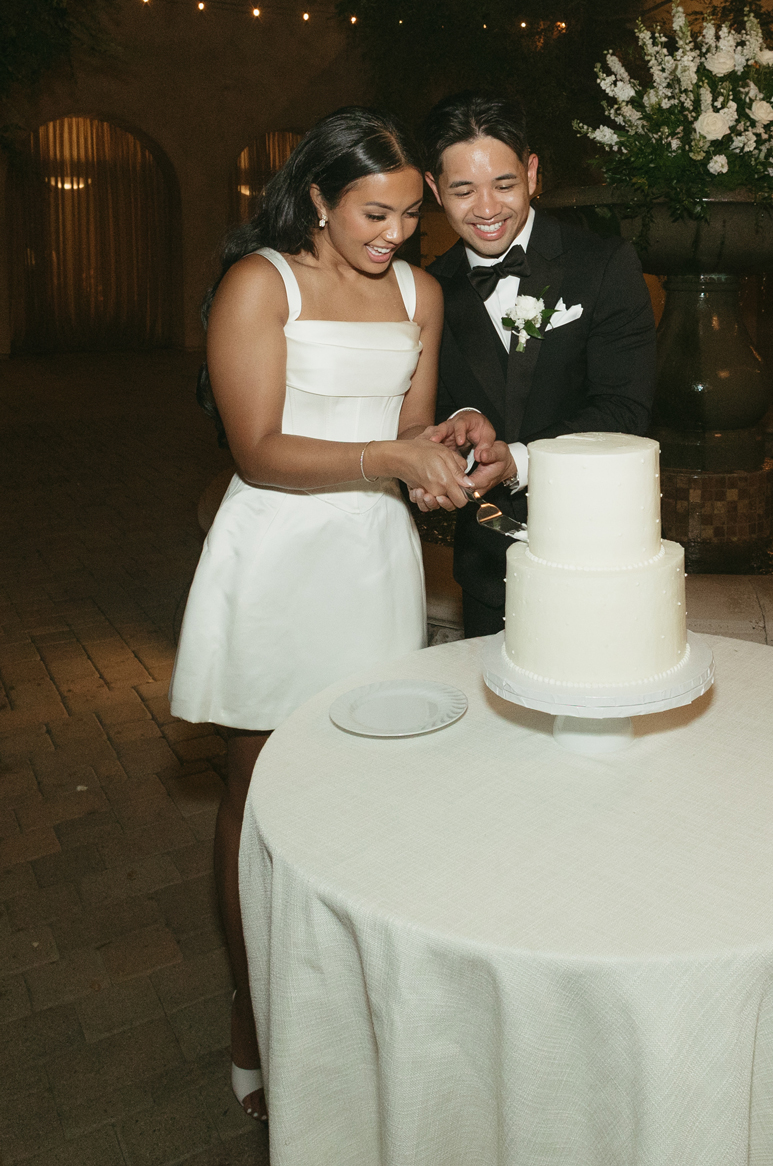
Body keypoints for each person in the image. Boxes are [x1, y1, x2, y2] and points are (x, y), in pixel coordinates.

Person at [169, 107, 501, 1122]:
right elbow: (260, 449)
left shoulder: (422, 293)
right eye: (372, 212)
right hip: (276, 554)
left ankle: (352, 1005)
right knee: (259, 791)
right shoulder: (257, 284)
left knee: (369, 789)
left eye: (410, 213)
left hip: (370, 559)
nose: (395, 234)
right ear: (316, 198)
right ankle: (254, 1016)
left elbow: (407, 434)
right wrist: (389, 460)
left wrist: (450, 441)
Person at [417, 92, 658, 636]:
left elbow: (626, 409)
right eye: (462, 190)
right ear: (434, 189)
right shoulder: (426, 289)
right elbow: (429, 410)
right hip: (487, 565)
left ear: (531, 172)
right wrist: (453, 434)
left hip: (597, 547)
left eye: (504, 184)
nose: (486, 209)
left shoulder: (604, 264)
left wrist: (521, 460)